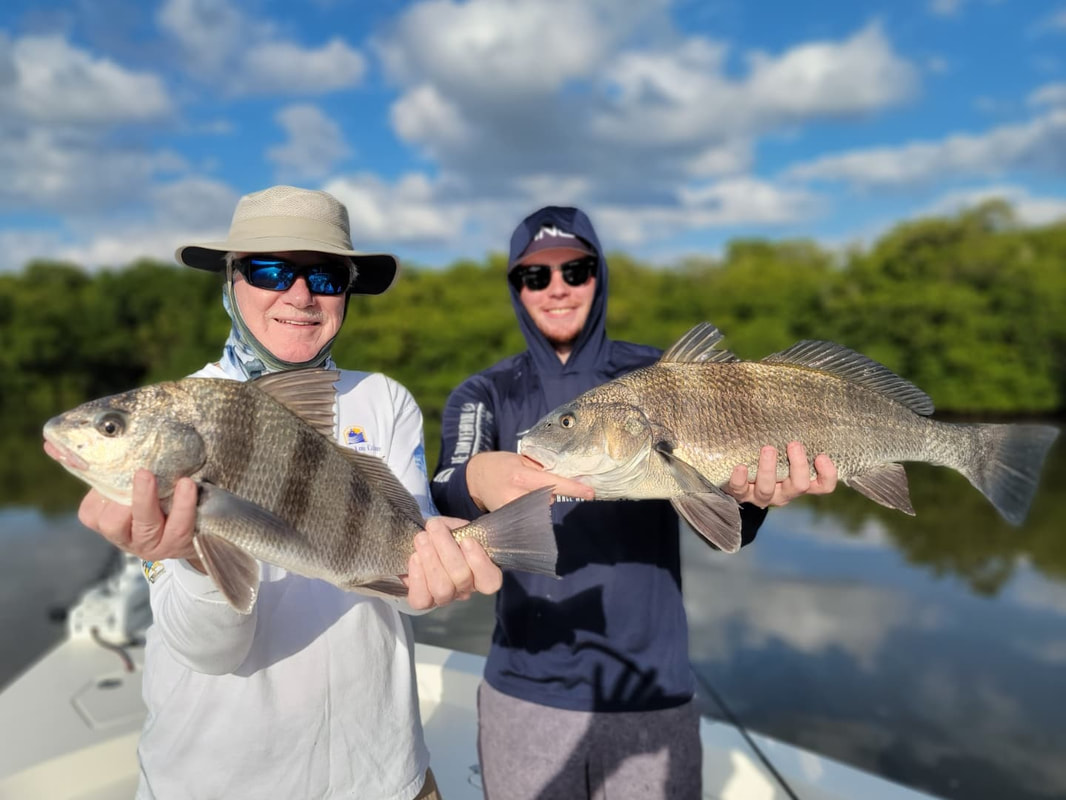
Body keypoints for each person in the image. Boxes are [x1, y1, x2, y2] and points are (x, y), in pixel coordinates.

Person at [50, 186, 502, 800]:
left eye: (324, 274)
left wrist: (444, 571)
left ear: (346, 291)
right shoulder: (183, 411)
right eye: (270, 269)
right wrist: (191, 558)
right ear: (231, 281)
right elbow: (208, 652)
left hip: (385, 777)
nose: (300, 294)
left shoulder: (385, 400)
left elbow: (410, 589)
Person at [430, 205, 838, 799]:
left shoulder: (654, 372)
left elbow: (728, 523)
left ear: (600, 274)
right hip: (525, 688)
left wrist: (757, 498)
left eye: (577, 268)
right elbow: (444, 488)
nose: (558, 288)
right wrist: (474, 479)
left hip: (654, 690)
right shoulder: (485, 392)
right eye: (535, 276)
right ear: (516, 288)